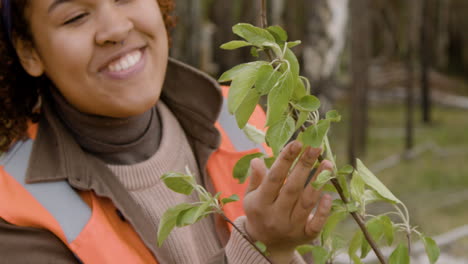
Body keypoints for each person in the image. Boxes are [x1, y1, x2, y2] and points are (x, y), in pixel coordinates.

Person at [0, 0, 333, 263]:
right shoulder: (13, 209)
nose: (115, 28)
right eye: (75, 17)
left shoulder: (237, 115)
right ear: (28, 51)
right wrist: (263, 249)